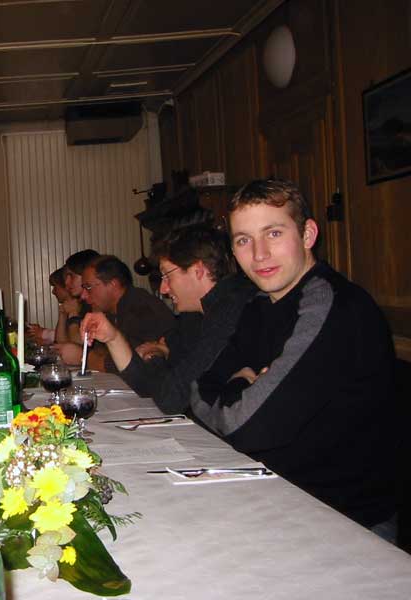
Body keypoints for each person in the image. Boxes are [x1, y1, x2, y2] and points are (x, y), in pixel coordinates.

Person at [191, 179, 399, 537]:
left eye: (273, 233)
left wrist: (234, 387)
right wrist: (244, 386)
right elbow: (196, 392)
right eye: (243, 240)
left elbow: (246, 427)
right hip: (273, 500)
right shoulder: (258, 307)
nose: (259, 254)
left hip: (345, 524)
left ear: (307, 235)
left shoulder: (335, 308)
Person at [81, 225, 256, 413]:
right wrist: (113, 338)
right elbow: (146, 385)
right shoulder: (193, 315)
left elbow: (170, 398)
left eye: (167, 275)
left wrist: (157, 356)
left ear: (198, 270)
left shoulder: (232, 310)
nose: (163, 289)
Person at [78, 254, 174, 372]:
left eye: (88, 287)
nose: (83, 296)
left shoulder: (141, 308)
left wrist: (83, 358)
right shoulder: (112, 311)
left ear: (113, 284)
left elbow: (137, 364)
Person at [26, 267, 70, 346]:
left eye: (55, 286)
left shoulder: (79, 310)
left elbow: (69, 341)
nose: (53, 291)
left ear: (66, 287)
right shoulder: (65, 308)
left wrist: (43, 333)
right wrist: (43, 334)